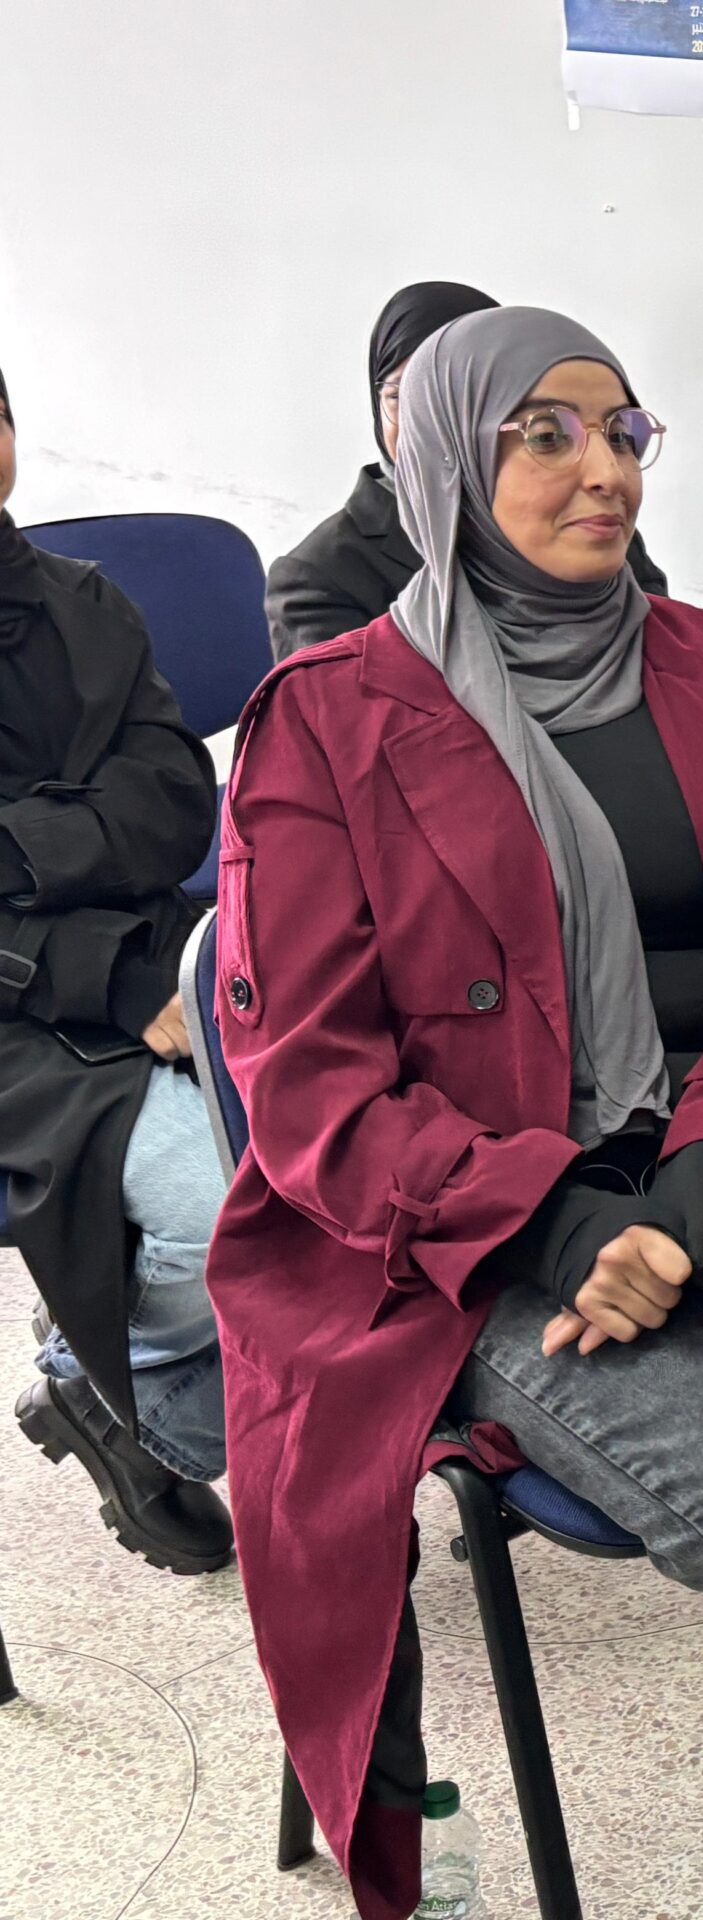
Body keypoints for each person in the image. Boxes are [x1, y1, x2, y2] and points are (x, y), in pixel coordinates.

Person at [207, 307, 703, 1920]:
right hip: (485, 1251)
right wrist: (568, 1217)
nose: (606, 471)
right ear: (447, 463)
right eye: (548, 435)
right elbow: (311, 1086)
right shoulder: (328, 719)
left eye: (626, 431)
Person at [0, 362, 233, 1575]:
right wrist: (105, 970)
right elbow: (125, 810)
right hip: (27, 1015)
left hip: (148, 946)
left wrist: (24, 841)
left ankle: (105, 1360)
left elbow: (175, 798)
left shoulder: (81, 600)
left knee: (351, 1151)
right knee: (228, 1210)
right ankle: (106, 1383)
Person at [263, 280, 668, 660]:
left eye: (459, 395)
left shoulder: (585, 521)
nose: (433, 420)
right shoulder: (321, 575)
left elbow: (666, 661)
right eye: (405, 395)